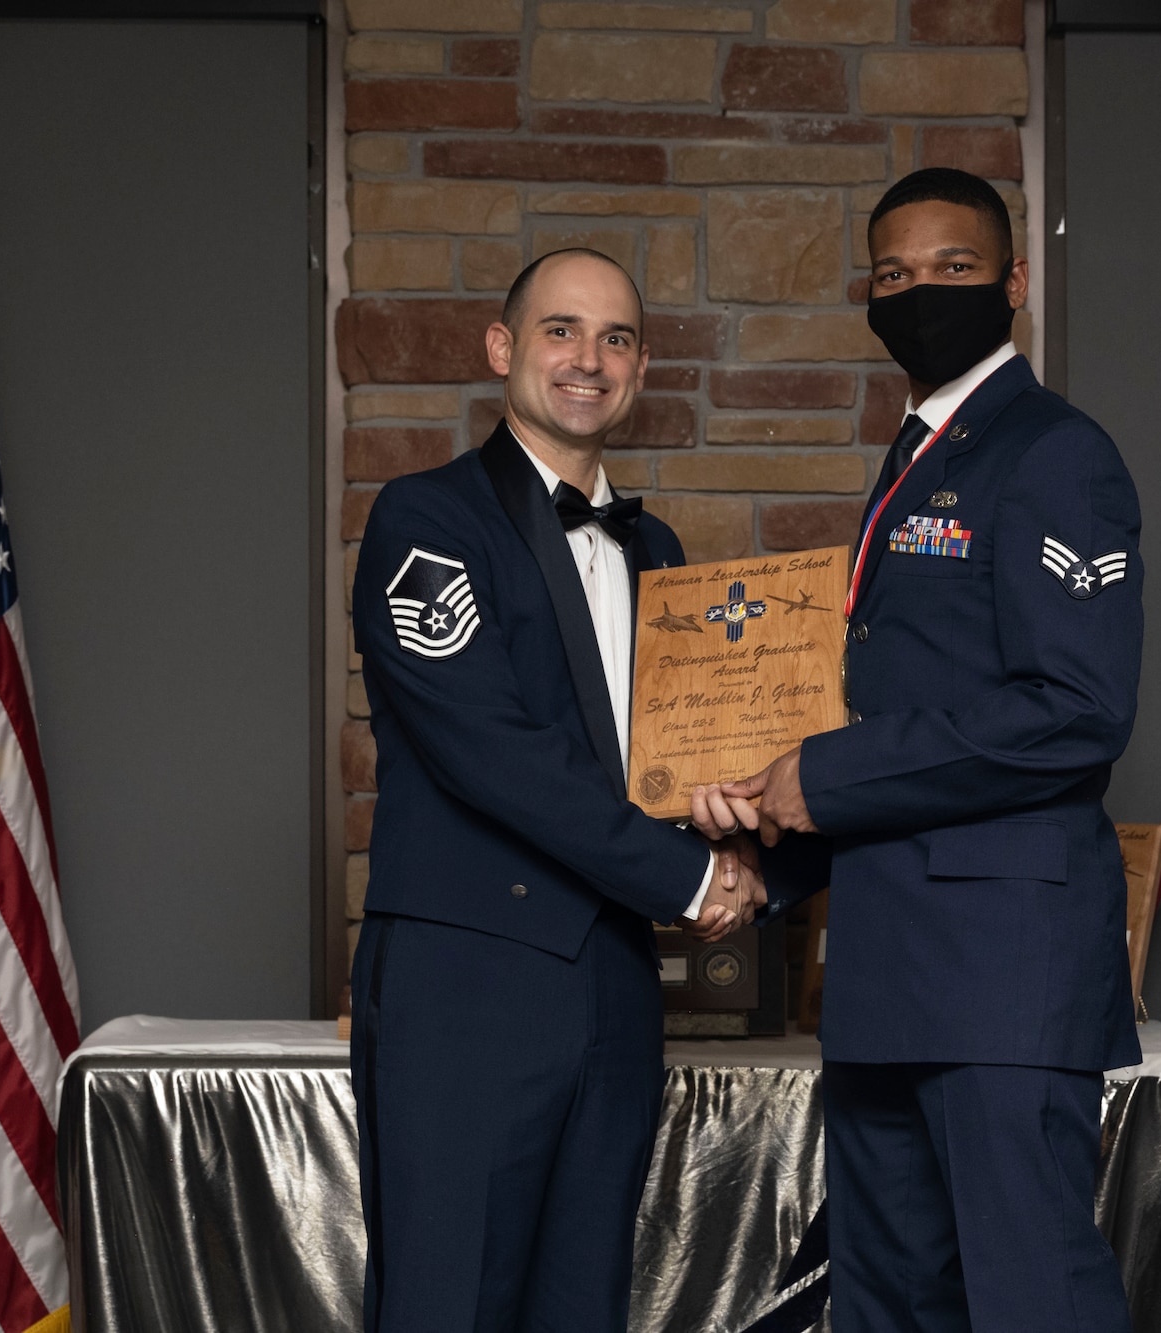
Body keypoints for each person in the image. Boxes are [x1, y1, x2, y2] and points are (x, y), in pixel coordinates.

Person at [694, 167, 1143, 1332]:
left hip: (1001, 973)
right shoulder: (913, 457)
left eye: (952, 268)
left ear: (1014, 281)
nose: (920, 292)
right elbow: (898, 716)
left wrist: (821, 779)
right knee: (888, 1304)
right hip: (888, 968)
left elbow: (1074, 708)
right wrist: (765, 857)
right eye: (893, 273)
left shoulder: (1053, 453)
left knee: (1028, 1299)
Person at [348, 248, 765, 1333]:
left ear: (639, 368)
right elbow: (491, 752)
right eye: (560, 330)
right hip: (467, 986)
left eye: (616, 338)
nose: (589, 360)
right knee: (449, 1304)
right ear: (502, 350)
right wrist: (690, 875)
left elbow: (666, 765)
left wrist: (743, 826)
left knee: (581, 1307)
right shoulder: (423, 520)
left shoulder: (659, 552)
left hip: (615, 986)